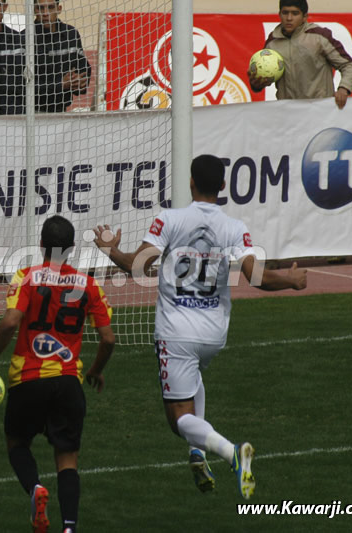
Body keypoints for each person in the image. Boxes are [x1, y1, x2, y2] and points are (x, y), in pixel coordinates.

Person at [93, 155, 307, 500]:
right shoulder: (235, 228)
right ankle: (198, 453)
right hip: (214, 333)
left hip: (176, 330)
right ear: (223, 186)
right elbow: (256, 277)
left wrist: (110, 249)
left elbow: (138, 267)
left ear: (190, 182)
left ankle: (231, 452)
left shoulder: (170, 219)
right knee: (193, 380)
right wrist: (292, 281)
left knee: (178, 418)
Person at [0, 215, 114, 533]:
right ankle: (68, 527)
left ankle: (36, 488)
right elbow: (108, 339)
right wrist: (95, 370)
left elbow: (11, 322)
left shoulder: (27, 276)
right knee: (67, 458)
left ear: (40, 245)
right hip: (68, 383)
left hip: (29, 380)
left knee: (17, 443)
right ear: (72, 249)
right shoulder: (89, 284)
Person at [247, 0, 352, 109]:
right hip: (289, 114)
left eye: (295, 13)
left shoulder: (319, 36)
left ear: (305, 17)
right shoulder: (272, 42)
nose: (289, 18)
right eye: (285, 13)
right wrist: (257, 85)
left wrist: (344, 88)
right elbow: (263, 80)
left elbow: (350, 65)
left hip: (320, 111)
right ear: (279, 14)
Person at [28, 0, 91, 113]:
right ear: (34, 10)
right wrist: (60, 85)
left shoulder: (71, 34)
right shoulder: (25, 38)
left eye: (51, 7)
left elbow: (83, 68)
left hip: (61, 110)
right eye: (41, 8)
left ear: (59, 9)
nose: (46, 13)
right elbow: (21, 86)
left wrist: (79, 81)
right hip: (32, 112)